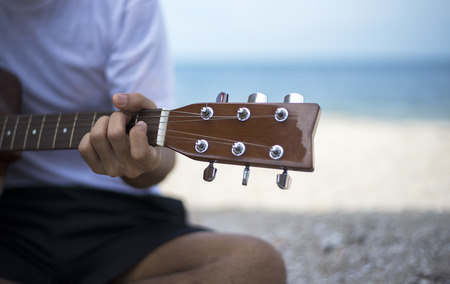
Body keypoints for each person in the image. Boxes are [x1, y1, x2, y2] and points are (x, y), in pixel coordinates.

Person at [0, 0, 286, 283]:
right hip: (10, 217)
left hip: (117, 218)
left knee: (255, 264)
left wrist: (142, 161)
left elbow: (162, 162)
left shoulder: (124, 4)